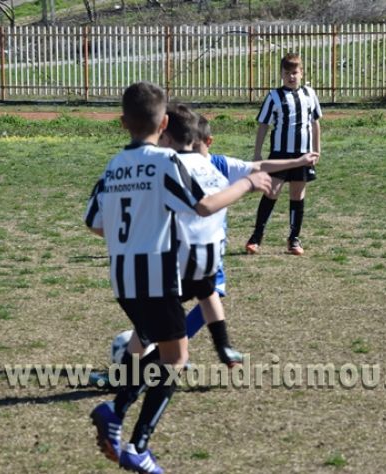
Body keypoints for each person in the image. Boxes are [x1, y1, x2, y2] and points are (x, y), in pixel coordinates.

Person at [84, 81, 270, 474]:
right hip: (156, 275)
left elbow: (95, 223)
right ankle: (134, 440)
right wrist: (246, 183)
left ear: (123, 122)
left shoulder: (113, 166)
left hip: (123, 280)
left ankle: (118, 413)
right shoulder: (165, 162)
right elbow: (202, 206)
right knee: (177, 357)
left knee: (166, 350)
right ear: (164, 123)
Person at [184, 114, 318, 341]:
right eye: (188, 147)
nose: (191, 152)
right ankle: (165, 349)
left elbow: (259, 166)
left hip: (207, 249)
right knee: (191, 298)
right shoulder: (178, 166)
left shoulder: (220, 164)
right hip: (183, 246)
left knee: (207, 295)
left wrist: (298, 161)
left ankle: (169, 347)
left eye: (195, 147)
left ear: (208, 142)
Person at [245, 52, 322, 256]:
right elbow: (263, 124)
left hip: (303, 154)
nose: (291, 77)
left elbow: (315, 123)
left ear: (302, 73)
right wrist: (257, 152)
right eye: (287, 73)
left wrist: (317, 150)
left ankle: (294, 239)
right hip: (280, 154)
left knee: (297, 194)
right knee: (271, 191)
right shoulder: (274, 96)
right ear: (281, 74)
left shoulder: (309, 94)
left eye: (295, 73)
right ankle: (256, 236)